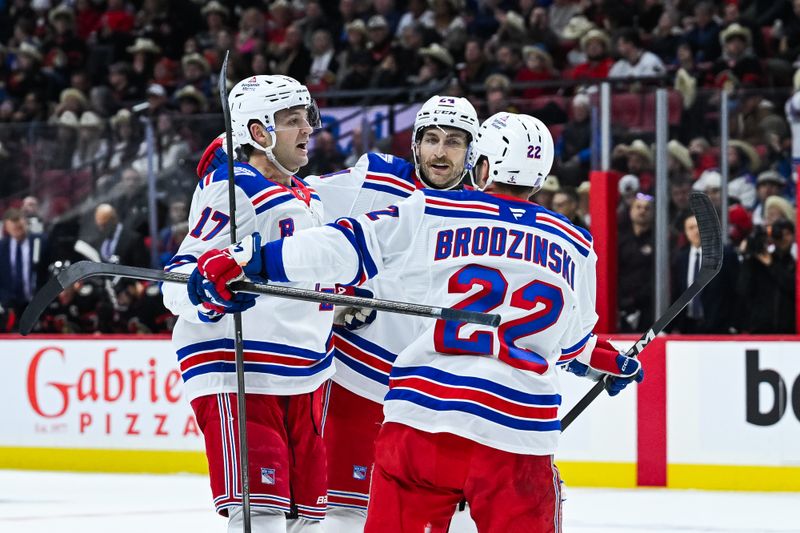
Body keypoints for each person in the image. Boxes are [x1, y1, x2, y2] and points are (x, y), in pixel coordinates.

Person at [192, 112, 643, 532]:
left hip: (424, 426)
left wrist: (247, 259)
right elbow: (568, 342)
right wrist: (604, 361)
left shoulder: (435, 210)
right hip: (517, 438)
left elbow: (339, 247)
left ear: (480, 166)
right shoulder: (576, 244)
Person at [197, 94, 481, 532]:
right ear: (416, 144)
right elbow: (296, 207)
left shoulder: (487, 216)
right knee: (341, 513)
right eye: (431, 139)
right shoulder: (376, 179)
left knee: (443, 516)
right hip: (355, 378)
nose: (440, 152)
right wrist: (233, 158)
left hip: (435, 391)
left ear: (473, 150)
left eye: (455, 142)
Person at [161, 75, 330, 533]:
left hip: (305, 369)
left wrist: (345, 299)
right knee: (261, 514)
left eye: (306, 118)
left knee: (307, 520)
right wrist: (205, 290)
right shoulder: (235, 189)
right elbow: (176, 281)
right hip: (243, 367)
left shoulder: (309, 194)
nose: (307, 129)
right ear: (259, 133)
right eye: (292, 121)